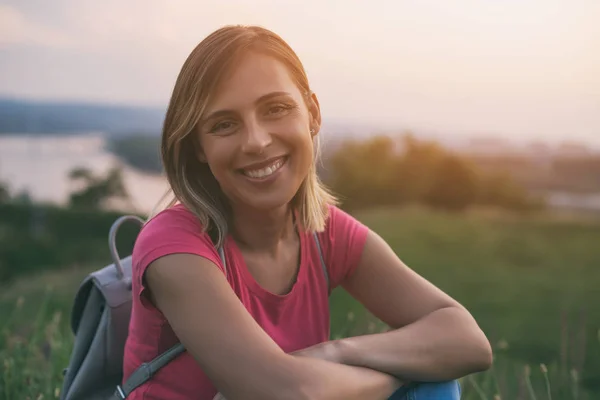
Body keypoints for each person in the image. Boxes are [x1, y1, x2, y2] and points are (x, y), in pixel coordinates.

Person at [122, 25, 492, 400]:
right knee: (428, 384)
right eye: (224, 125)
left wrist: (337, 351)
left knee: (439, 386)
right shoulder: (173, 245)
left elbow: (468, 340)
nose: (257, 141)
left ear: (312, 113)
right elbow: (285, 393)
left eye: (276, 109)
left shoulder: (326, 234)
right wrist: (399, 381)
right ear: (199, 147)